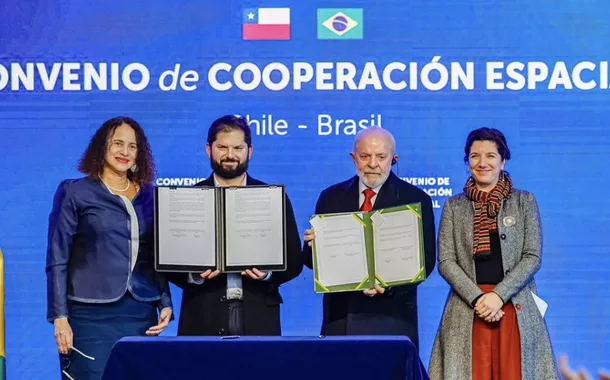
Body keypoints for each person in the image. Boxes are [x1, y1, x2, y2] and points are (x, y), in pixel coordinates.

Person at [46, 116, 173, 379]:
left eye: (132, 146)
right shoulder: (75, 192)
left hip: (140, 314)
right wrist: (59, 317)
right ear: (102, 146)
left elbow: (155, 256)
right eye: (117, 143)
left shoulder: (151, 195)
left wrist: (165, 302)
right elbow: (57, 258)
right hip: (88, 316)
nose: (124, 152)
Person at [428, 127, 559, 380]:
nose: (482, 162)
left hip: (513, 306)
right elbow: (446, 261)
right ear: (467, 162)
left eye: (490, 155)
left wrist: (498, 296)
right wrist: (479, 300)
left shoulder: (524, 201)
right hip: (468, 308)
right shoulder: (454, 206)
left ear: (503, 160)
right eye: (474, 156)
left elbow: (532, 256)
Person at [168, 115, 303, 336]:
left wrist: (268, 273)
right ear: (208, 150)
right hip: (202, 316)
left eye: (237, 148)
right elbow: (169, 264)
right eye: (222, 147)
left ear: (249, 151)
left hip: (259, 315)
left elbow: (295, 261)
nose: (230, 155)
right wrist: (193, 274)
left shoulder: (272, 197)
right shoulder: (186, 198)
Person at [302, 127, 436, 350]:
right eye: (365, 156)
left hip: (392, 320)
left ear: (394, 159)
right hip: (341, 320)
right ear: (354, 158)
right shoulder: (330, 197)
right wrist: (313, 248)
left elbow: (427, 260)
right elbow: (310, 262)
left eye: (381, 157)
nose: (372, 164)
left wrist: (389, 286)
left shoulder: (415, 198)